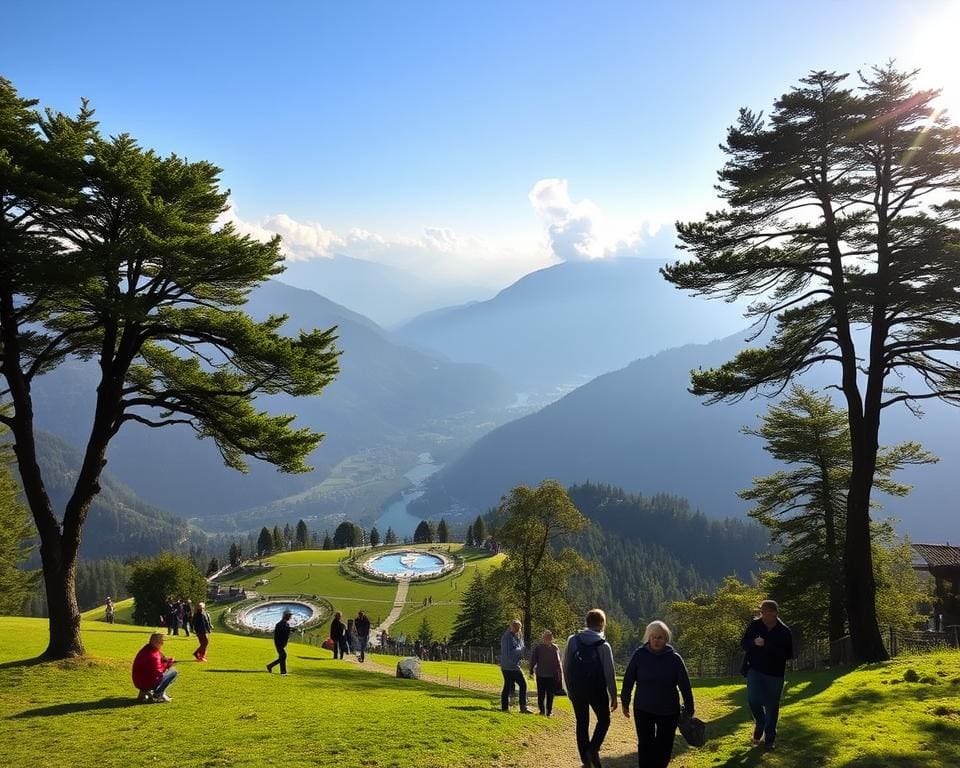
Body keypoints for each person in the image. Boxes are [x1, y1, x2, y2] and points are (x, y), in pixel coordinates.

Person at [620, 620, 694, 768]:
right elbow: (628, 680)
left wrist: (689, 708)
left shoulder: (674, 659)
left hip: (668, 710)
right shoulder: (639, 655)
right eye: (653, 637)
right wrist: (625, 701)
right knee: (645, 745)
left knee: (664, 746)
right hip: (643, 708)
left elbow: (685, 686)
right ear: (648, 637)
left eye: (660, 637)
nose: (656, 640)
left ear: (665, 639)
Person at [564, 608, 618, 768]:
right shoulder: (603, 645)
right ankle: (593, 749)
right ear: (602, 624)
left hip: (577, 689)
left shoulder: (573, 640)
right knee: (604, 720)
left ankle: (586, 760)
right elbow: (610, 672)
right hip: (597, 691)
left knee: (582, 722)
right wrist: (613, 695)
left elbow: (565, 666)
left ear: (586, 623)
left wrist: (569, 689)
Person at [740, 599, 793, 750]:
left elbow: (788, 654)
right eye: (761, 612)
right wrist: (753, 643)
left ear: (774, 613)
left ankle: (769, 739)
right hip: (755, 670)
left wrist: (767, 646)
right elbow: (743, 643)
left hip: (775, 674)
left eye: (765, 612)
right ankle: (760, 722)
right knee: (753, 700)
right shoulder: (755, 625)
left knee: (772, 706)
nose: (762, 615)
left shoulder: (784, 632)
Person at [132, 632, 177, 703]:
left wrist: (166, 660)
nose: (162, 643)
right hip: (147, 682)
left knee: (168, 671)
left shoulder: (147, 648)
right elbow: (159, 672)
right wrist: (168, 664)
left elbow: (160, 658)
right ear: (155, 642)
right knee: (174, 672)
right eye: (161, 641)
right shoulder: (153, 655)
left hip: (139, 681)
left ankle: (144, 693)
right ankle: (159, 694)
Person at [499, 619, 531, 713]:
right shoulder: (507, 637)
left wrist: (522, 652)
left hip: (514, 665)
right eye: (516, 627)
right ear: (511, 627)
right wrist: (520, 651)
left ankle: (507, 707)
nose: (518, 630)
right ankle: (521, 707)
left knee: (509, 686)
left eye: (519, 628)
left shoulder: (517, 636)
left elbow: (522, 648)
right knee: (520, 684)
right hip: (508, 666)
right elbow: (509, 652)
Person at [529, 629, 564, 716]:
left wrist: (531, 670)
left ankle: (546, 711)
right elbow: (534, 660)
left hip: (549, 675)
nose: (548, 639)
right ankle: (545, 711)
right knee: (545, 694)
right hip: (544, 674)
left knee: (547, 694)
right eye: (546, 637)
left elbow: (558, 662)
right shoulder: (539, 648)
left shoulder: (553, 648)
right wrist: (531, 670)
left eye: (549, 637)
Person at [266, 609, 293, 675]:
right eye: (289, 616)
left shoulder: (286, 624)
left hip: (282, 643)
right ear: (286, 617)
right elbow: (282, 633)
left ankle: (270, 666)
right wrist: (289, 630)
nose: (290, 618)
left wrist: (290, 630)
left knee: (282, 656)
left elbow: (286, 632)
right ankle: (283, 672)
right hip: (279, 643)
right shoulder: (279, 624)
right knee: (283, 655)